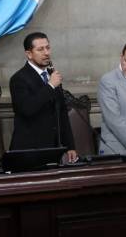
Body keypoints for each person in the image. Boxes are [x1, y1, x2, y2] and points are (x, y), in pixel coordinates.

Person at [9, 32, 77, 162]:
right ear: (29, 54)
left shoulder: (52, 76)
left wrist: (70, 146)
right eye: (40, 49)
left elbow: (62, 113)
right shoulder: (19, 79)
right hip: (29, 151)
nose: (46, 53)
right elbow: (27, 109)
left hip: (53, 149)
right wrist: (50, 85)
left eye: (48, 48)